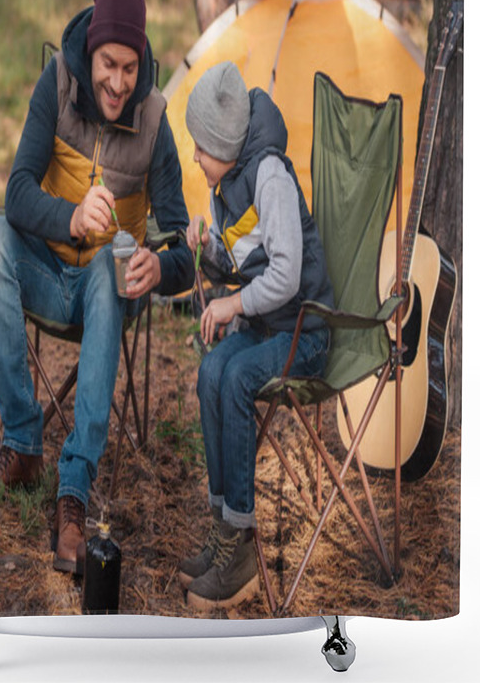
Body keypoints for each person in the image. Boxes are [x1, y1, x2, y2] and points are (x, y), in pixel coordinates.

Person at [0, 0, 193, 574]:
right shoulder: (57, 84)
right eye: (108, 64)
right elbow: (15, 194)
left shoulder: (153, 118)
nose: (118, 82)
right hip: (46, 271)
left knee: (114, 258)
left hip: (105, 291)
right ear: (89, 49)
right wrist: (69, 215)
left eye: (130, 67)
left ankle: (73, 492)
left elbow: (182, 248)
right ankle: (22, 446)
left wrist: (157, 265)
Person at [180, 61, 334, 610]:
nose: (194, 156)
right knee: (212, 371)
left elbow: (287, 272)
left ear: (224, 142)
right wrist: (211, 248)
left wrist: (232, 304)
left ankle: (243, 545)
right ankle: (226, 527)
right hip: (271, 325)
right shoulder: (227, 181)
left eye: (200, 146)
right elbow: (249, 260)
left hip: (307, 333)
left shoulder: (268, 175)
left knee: (239, 375)